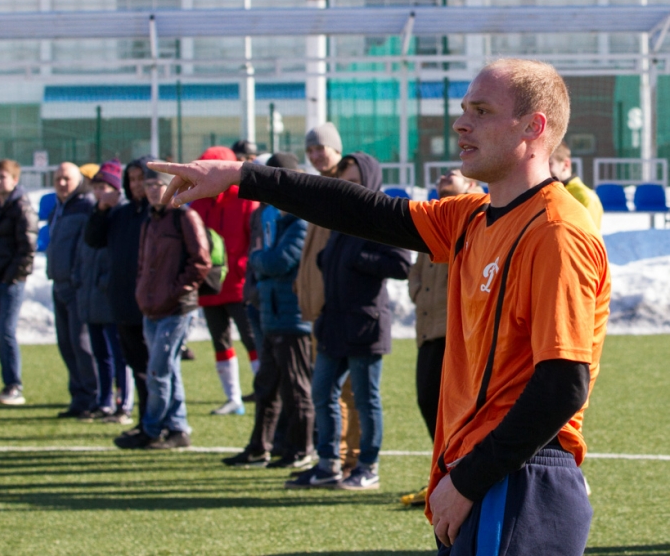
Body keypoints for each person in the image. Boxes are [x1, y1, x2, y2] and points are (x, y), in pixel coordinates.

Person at [150, 58, 609, 556]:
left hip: (520, 475)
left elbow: (563, 384)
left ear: (533, 126)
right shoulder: (472, 216)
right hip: (487, 471)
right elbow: (364, 210)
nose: (461, 123)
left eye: (481, 111)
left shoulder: (557, 232)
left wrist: (470, 480)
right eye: (463, 109)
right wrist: (243, 176)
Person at [286, 153, 412, 491]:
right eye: (344, 183)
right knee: (322, 392)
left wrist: (359, 258)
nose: (349, 189)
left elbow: (402, 265)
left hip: (365, 325)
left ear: (369, 181)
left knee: (365, 399)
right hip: (334, 324)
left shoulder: (382, 215)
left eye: (354, 182)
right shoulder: (341, 217)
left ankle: (368, 466)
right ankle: (328, 464)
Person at [222, 152, 314, 469]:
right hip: (271, 312)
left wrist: (259, 260)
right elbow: (264, 258)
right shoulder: (272, 217)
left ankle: (301, 449)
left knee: (296, 387)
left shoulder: (301, 220)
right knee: (266, 386)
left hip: (293, 317)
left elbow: (277, 261)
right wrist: (261, 263)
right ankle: (261, 446)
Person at [114, 163, 210, 450]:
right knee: (168, 370)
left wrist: (173, 292)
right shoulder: (150, 221)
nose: (153, 190)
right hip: (151, 308)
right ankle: (177, 428)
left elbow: (200, 262)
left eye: (158, 184)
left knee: (158, 372)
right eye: (149, 185)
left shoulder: (185, 216)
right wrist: (143, 292)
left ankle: (152, 428)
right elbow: (144, 264)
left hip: (176, 309)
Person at [400, 168, 480, 507]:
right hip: (429, 329)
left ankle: (464, 476)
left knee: (460, 410)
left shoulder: (477, 216)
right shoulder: (435, 217)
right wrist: (418, 291)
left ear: (472, 184)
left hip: (459, 333)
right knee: (429, 401)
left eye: (453, 173)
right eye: (441, 174)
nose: (444, 175)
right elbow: (417, 269)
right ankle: (445, 471)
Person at [297, 122, 361, 473]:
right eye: (310, 150)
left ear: (337, 148)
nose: (315, 155)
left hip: (338, 307)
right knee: (327, 391)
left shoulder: (344, 187)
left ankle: (350, 459)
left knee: (347, 391)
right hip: (318, 309)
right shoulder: (319, 188)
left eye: (320, 147)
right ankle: (332, 458)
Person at [190, 146, 259, 416]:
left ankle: (265, 392)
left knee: (252, 340)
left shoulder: (246, 200)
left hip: (239, 286)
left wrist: (243, 271)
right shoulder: (196, 203)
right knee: (220, 342)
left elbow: (253, 241)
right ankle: (233, 399)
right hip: (209, 287)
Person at [86, 157, 154, 431]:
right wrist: (101, 209)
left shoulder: (160, 212)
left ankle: (161, 423)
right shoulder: (120, 214)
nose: (136, 185)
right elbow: (93, 239)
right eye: (132, 180)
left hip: (153, 304)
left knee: (156, 370)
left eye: (142, 179)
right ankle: (145, 423)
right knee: (138, 368)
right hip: (124, 303)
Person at [0, 159, 38, 406]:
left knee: (6, 332)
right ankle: (7, 383)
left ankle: (14, 385)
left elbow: (28, 248)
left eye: (3, 176)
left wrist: (12, 274)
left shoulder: (22, 208)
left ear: (15, 179)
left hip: (10, 281)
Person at [73, 159, 131, 421]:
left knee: (120, 355)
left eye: (104, 187)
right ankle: (103, 401)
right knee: (101, 354)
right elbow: (85, 252)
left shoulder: (123, 214)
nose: (99, 193)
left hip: (112, 296)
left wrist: (108, 282)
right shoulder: (94, 215)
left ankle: (124, 402)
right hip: (90, 295)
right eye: (96, 187)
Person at [47, 162, 99, 418]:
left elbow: (86, 248)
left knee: (82, 344)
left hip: (77, 286)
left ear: (79, 181)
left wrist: (79, 278)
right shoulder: (58, 208)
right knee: (66, 344)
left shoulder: (86, 205)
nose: (62, 183)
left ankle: (94, 396)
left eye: (66, 178)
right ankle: (78, 397)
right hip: (58, 284)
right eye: (58, 178)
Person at [549, 141, 603, 229]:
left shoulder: (585, 198)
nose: (545, 169)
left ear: (566, 164)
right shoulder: (546, 193)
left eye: (550, 164)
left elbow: (587, 235)